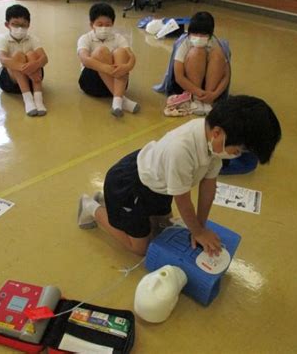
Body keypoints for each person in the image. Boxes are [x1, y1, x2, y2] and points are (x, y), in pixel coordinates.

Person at [77, 96, 281, 256]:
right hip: (130, 186)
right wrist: (198, 233)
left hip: (158, 184)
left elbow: (208, 188)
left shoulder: (213, 142)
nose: (236, 155)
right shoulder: (182, 150)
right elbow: (183, 200)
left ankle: (112, 205)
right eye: (238, 150)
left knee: (162, 226)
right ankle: (91, 207)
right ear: (218, 133)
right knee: (140, 248)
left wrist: (200, 226)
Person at [77, 3, 139, 118]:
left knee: (121, 52)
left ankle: (117, 101)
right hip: (92, 83)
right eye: (99, 24)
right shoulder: (85, 38)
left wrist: (127, 67)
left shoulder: (119, 38)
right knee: (101, 51)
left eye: (108, 24)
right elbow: (85, 59)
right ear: (92, 25)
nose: (104, 28)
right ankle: (122, 100)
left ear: (113, 24)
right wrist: (108, 69)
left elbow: (131, 56)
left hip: (117, 83)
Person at [172, 12, 230, 115]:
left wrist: (214, 94)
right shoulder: (184, 43)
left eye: (203, 34)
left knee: (217, 55)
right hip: (190, 85)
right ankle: (196, 100)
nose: (198, 37)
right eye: (195, 33)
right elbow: (179, 76)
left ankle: (208, 101)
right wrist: (198, 92)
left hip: (210, 87)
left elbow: (226, 74)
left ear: (210, 35)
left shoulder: (215, 43)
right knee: (197, 52)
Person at [0, 4, 48, 117]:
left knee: (31, 54)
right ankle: (28, 99)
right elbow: (3, 59)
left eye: (23, 25)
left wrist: (35, 64)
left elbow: (44, 58)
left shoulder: (33, 39)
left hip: (32, 79)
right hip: (11, 82)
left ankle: (38, 99)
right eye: (15, 25)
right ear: (7, 25)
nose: (20, 29)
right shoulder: (3, 40)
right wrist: (24, 68)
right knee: (18, 55)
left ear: (28, 25)